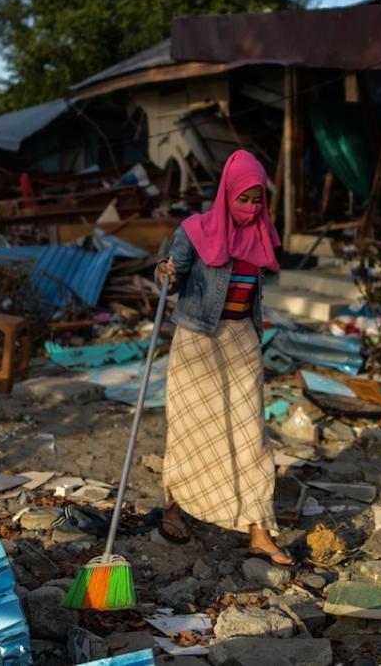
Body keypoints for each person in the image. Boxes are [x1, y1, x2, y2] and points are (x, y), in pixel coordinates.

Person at [154, 149, 294, 566]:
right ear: (226, 194)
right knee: (189, 429)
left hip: (242, 342)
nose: (251, 208)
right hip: (198, 340)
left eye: (257, 200)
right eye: (243, 199)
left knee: (251, 435)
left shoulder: (262, 234)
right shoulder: (195, 229)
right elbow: (171, 275)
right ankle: (173, 507)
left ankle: (258, 530)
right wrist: (166, 273)